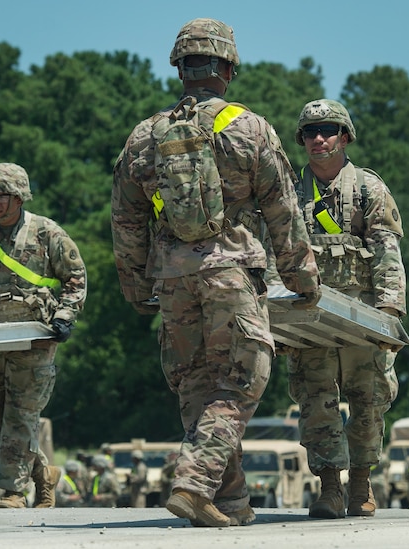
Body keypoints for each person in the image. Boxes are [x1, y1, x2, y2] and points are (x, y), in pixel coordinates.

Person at [112, 18, 321, 528]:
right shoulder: (249, 128)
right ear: (227, 68)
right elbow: (283, 211)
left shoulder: (145, 136)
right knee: (245, 378)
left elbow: (125, 218)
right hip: (231, 271)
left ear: (180, 69)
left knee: (195, 386)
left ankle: (228, 502)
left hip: (172, 278)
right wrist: (302, 276)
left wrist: (138, 285)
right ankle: (195, 481)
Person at [288, 99, 406, 519]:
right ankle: (329, 488)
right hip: (308, 317)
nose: (319, 139)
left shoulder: (367, 188)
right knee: (316, 400)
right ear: (301, 140)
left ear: (345, 135)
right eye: (310, 132)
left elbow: (386, 251)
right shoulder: (289, 190)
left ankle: (360, 481)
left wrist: (389, 312)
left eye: (328, 130)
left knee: (368, 399)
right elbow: (273, 251)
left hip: (362, 316)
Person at [0, 162, 87, 509]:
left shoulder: (47, 233)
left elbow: (75, 277)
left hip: (34, 338)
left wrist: (66, 314)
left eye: (2, 196)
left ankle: (13, 492)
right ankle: (42, 473)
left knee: (21, 413)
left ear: (19, 197)